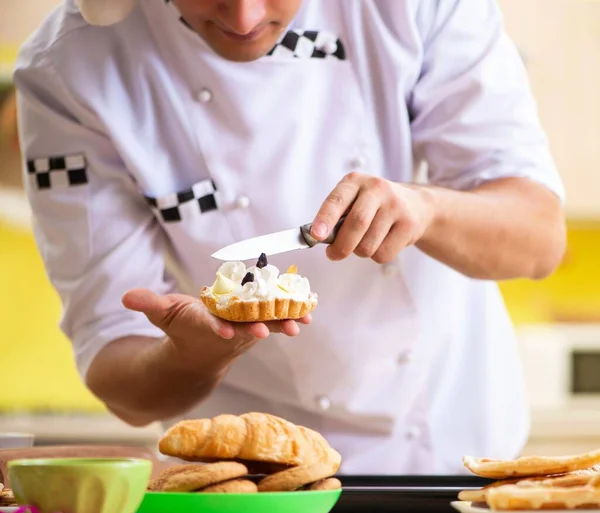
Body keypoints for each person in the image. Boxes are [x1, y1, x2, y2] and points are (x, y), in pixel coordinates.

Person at [13, 0, 566, 475]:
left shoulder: (416, 7)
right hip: (249, 479)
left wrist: (428, 210)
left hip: (457, 454)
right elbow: (123, 385)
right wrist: (194, 357)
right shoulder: (71, 69)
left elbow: (539, 240)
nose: (244, 17)